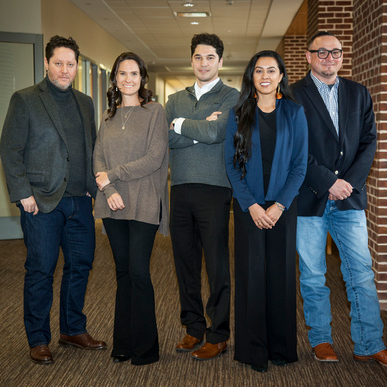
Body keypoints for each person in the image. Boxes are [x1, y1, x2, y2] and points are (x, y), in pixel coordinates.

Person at [290, 31, 387, 367]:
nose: (329, 58)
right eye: (322, 52)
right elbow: (294, 149)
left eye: (336, 53)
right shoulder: (292, 94)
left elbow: (368, 142)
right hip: (308, 199)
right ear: (309, 57)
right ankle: (321, 340)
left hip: (349, 200)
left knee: (361, 272)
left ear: (343, 57)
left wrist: (348, 184)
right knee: (313, 274)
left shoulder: (359, 93)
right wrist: (328, 181)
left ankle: (370, 343)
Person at [0, 35, 106, 365]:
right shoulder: (26, 99)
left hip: (78, 202)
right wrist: (22, 194)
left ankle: (73, 329)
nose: (64, 70)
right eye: (58, 63)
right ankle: (38, 338)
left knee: (81, 266)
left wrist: (91, 184)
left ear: (77, 66)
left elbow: (90, 148)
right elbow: (10, 149)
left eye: (70, 64)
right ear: (46, 64)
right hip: (41, 203)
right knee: (41, 270)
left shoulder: (85, 102)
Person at [224, 50, 308, 373]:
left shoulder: (295, 113)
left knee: (281, 276)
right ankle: (252, 349)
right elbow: (231, 165)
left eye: (271, 71)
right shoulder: (238, 113)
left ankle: (281, 348)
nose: (265, 76)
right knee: (251, 276)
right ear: (252, 77)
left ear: (281, 76)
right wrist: (253, 206)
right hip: (249, 209)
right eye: (259, 71)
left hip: (283, 207)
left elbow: (300, 165)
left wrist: (279, 205)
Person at [165, 33, 240, 360]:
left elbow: (216, 132)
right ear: (191, 60)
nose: (203, 63)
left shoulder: (231, 96)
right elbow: (165, 139)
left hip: (215, 190)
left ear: (220, 61)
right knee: (185, 264)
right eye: (198, 57)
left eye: (210, 57)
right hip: (179, 189)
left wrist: (181, 126)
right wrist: (195, 131)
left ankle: (219, 333)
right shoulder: (175, 98)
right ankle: (193, 328)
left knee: (217, 264)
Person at [93, 52, 169, 366]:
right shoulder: (108, 117)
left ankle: (146, 348)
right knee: (123, 273)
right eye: (122, 74)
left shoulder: (154, 112)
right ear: (114, 79)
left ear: (142, 79)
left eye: (134, 74)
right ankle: (122, 344)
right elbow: (97, 158)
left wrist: (115, 174)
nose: (128, 79)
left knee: (139, 272)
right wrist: (108, 188)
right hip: (112, 204)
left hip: (144, 202)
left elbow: (154, 158)